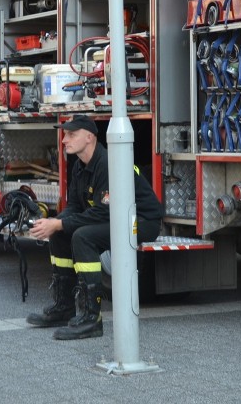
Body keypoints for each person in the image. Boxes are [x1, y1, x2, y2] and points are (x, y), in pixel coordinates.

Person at [27, 114, 164, 340]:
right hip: (116, 217)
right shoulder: (79, 167)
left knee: (83, 237)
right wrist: (54, 224)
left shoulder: (108, 164)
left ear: (89, 137)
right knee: (61, 235)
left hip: (141, 222)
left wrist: (59, 223)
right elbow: (74, 207)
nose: (64, 140)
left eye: (71, 134)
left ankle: (92, 319)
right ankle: (65, 308)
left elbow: (103, 211)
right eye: (65, 134)